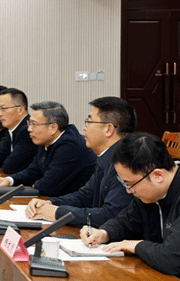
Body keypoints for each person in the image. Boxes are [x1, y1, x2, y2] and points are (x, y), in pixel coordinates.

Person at [80, 132, 180, 280]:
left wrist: (135, 246)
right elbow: (126, 222)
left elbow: (172, 259)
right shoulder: (151, 192)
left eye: (130, 184)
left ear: (158, 176)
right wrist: (104, 233)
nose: (128, 191)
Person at [25, 97, 136, 226]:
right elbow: (85, 196)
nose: (84, 128)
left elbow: (110, 215)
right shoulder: (106, 156)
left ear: (108, 129)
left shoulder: (126, 162)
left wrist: (57, 213)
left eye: (89, 122)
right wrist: (50, 203)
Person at [0, 101, 96, 197]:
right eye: (29, 123)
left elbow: (47, 187)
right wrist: (8, 180)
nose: (29, 129)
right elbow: (33, 171)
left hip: (76, 206)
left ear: (53, 128)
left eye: (34, 124)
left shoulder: (70, 146)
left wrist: (36, 183)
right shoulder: (46, 140)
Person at [0, 88, 37, 174]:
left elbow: (10, 166)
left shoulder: (28, 130)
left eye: (3, 108)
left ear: (20, 110)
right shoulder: (12, 129)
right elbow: (1, 154)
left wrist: (2, 159)